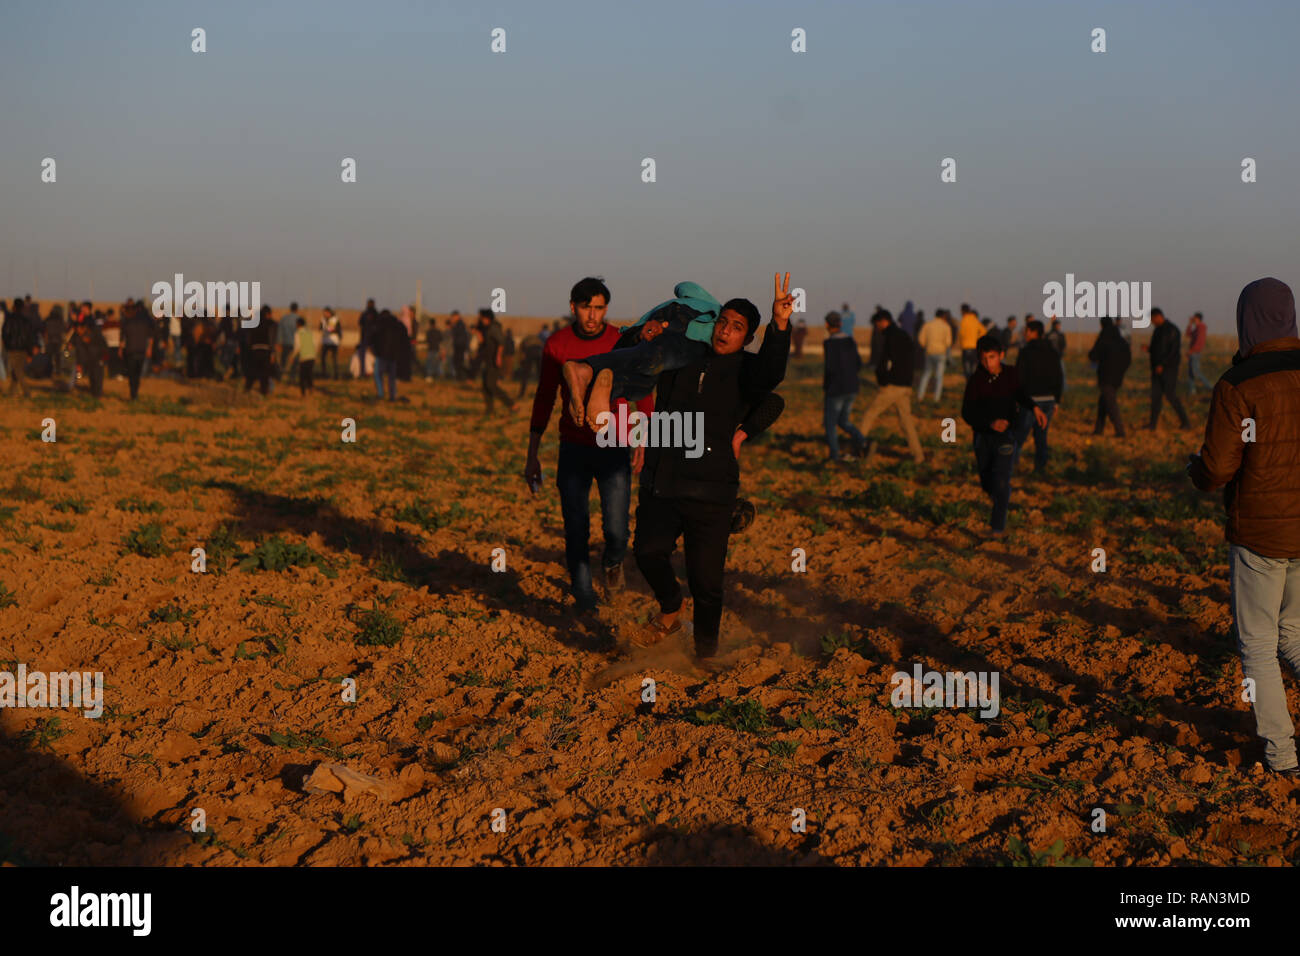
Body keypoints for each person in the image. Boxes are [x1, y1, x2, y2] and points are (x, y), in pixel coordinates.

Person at [632, 274, 792, 661]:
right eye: (723, 322)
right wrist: (646, 335)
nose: (726, 332)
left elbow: (773, 385)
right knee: (647, 551)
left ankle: (705, 655)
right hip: (664, 483)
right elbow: (640, 360)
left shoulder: (746, 371)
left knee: (707, 583)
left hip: (711, 493)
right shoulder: (683, 355)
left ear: (747, 337)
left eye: (737, 328)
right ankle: (671, 608)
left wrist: (780, 324)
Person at [1188, 278, 1300, 776]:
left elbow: (1216, 469)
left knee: (1257, 644)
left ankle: (1282, 756)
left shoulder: (1239, 385)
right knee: (1294, 635)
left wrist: (1196, 469)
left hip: (1260, 535)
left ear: (1246, 320)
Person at [526, 277, 653, 612]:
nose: (592, 315)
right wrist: (533, 453)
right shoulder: (557, 345)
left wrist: (642, 439)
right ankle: (583, 595)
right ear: (573, 307)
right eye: (586, 307)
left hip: (614, 444)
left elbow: (643, 392)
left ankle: (613, 563)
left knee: (617, 529)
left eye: (599, 308)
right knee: (576, 525)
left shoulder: (622, 341)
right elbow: (544, 397)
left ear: (606, 309)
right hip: (574, 446)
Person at [561, 281, 722, 429]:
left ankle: (593, 377)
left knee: (644, 385)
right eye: (586, 307)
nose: (727, 330)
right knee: (653, 361)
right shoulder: (713, 312)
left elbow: (684, 287)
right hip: (666, 336)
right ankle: (589, 371)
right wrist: (668, 325)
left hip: (633, 338)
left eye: (598, 308)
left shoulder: (691, 305)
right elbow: (681, 310)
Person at [961, 334, 1047, 535]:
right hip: (982, 436)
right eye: (983, 359)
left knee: (1001, 479)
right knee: (987, 482)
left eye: (992, 357)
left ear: (1001, 355)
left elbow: (1020, 393)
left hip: (1007, 435)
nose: (988, 363)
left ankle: (997, 527)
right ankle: (1000, 495)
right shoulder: (975, 381)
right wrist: (989, 423)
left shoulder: (1010, 374)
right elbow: (967, 412)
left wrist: (1034, 408)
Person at [859, 308, 925, 466]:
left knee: (869, 415)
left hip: (893, 386)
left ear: (883, 321)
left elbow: (889, 362)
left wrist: (884, 380)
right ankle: (918, 455)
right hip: (905, 385)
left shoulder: (891, 337)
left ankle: (858, 447)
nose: (877, 328)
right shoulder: (902, 335)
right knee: (906, 422)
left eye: (877, 324)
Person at [1012, 320, 1063, 473]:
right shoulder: (1053, 352)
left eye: (1027, 331)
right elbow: (1059, 377)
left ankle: (1010, 465)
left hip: (1031, 401)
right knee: (1041, 435)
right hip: (1048, 400)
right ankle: (1040, 468)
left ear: (1034, 333)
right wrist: (1057, 400)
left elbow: (1019, 378)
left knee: (1020, 434)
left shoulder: (1026, 352)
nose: (1025, 334)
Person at [822, 310, 867, 462]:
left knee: (830, 424)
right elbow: (858, 363)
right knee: (844, 421)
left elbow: (830, 368)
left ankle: (834, 455)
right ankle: (862, 441)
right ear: (840, 324)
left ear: (827, 325)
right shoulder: (850, 341)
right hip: (852, 387)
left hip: (836, 388)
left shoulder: (829, 343)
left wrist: (827, 387)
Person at [1144, 307, 1191, 430]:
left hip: (1168, 369)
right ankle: (1152, 425)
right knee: (1155, 397)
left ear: (1158, 316)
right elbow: (1157, 349)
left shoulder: (1172, 330)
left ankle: (1185, 422)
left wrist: (1162, 365)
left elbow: (1173, 352)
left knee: (1170, 395)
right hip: (1156, 369)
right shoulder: (1157, 330)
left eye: (1152, 319)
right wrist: (1149, 349)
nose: (1152, 322)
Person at [1088, 316, 1131, 437]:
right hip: (1118, 377)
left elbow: (1093, 355)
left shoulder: (1103, 338)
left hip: (1106, 377)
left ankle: (1120, 431)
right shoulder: (1121, 340)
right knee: (1103, 402)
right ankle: (1098, 429)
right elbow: (1128, 358)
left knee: (1110, 403)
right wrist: (1121, 370)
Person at [3, 297, 38, 397]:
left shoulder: (9, 319)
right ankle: (11, 391)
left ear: (13, 307)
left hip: (13, 349)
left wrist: (7, 346)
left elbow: (5, 334)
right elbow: (30, 337)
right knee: (16, 370)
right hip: (23, 350)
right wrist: (30, 352)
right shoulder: (26, 321)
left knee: (18, 371)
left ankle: (27, 392)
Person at [916, 309, 953, 402]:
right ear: (943, 316)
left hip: (929, 352)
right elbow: (948, 343)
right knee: (939, 377)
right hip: (941, 354)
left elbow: (921, 339)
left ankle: (920, 396)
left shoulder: (927, 325)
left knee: (926, 374)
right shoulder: (946, 326)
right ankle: (936, 398)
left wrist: (926, 346)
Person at [119, 301, 154, 400]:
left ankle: (133, 393)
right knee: (137, 374)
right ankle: (135, 393)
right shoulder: (145, 321)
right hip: (141, 350)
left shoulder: (127, 320)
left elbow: (122, 338)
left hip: (131, 351)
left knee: (132, 373)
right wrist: (149, 349)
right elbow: (151, 336)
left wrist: (120, 349)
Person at [372, 309, 402, 401]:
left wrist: (376, 351)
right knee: (392, 377)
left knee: (377, 374)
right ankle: (392, 396)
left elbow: (375, 339)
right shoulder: (397, 325)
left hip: (381, 355)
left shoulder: (380, 324)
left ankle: (381, 393)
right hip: (393, 355)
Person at [244, 305, 275, 395]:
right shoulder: (269, 323)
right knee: (264, 374)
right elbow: (272, 336)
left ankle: (247, 389)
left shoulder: (253, 323)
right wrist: (273, 353)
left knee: (252, 372)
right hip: (265, 350)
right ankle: (264, 391)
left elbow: (248, 337)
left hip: (254, 350)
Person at [287, 315, 317, 396]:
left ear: (298, 324)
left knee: (302, 376)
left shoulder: (298, 334)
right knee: (309, 374)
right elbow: (314, 344)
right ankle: (311, 387)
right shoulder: (310, 333)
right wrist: (315, 355)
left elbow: (297, 347)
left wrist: (292, 356)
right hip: (312, 356)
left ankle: (303, 393)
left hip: (304, 357)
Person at [1186, 311, 1212, 395]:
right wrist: (1190, 324)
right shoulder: (1197, 328)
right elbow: (1188, 334)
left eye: (1194, 318)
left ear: (1197, 318)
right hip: (1193, 352)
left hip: (1195, 353)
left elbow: (1199, 342)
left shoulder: (1201, 328)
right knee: (1191, 373)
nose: (1193, 319)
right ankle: (1192, 391)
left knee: (1196, 372)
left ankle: (1210, 387)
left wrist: (1191, 351)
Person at [516, 330, 543, 397]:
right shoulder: (538, 340)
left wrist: (521, 362)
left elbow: (521, 353)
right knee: (540, 374)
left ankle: (522, 393)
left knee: (525, 374)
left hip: (530, 352)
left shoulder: (525, 340)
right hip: (539, 353)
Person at [959, 306, 983, 379]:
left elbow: (961, 333)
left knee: (967, 368)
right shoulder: (975, 320)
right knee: (974, 367)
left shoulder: (964, 320)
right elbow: (983, 331)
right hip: (974, 347)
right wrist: (977, 338)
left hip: (966, 347)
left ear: (963, 311)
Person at [43, 305, 66, 382]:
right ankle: (58, 372)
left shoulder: (48, 319)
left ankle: (48, 373)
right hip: (58, 341)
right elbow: (63, 330)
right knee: (58, 357)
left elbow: (45, 329)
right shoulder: (61, 320)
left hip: (49, 340)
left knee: (48, 357)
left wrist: (46, 339)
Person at [357, 299, 379, 377]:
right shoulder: (376, 314)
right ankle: (376, 371)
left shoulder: (365, 313)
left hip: (365, 337)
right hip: (373, 338)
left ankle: (363, 371)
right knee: (376, 356)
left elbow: (360, 323)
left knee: (363, 355)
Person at [1045, 316, 1067, 394]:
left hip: (1057, 357)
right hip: (1054, 357)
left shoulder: (1053, 334)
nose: (1058, 327)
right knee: (1059, 372)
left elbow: (1063, 345)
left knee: (1061, 373)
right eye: (1057, 325)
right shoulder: (1053, 334)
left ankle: (1063, 387)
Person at [320, 307, 341, 380]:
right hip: (325, 341)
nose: (325, 314)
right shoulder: (323, 320)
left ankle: (336, 375)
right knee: (322, 358)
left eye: (326, 312)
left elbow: (337, 329)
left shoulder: (335, 319)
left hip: (333, 341)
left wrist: (328, 329)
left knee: (334, 358)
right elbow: (320, 328)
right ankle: (324, 374)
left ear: (329, 312)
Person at [449, 310, 469, 379]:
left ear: (457, 316)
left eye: (453, 317)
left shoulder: (460, 324)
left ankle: (461, 377)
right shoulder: (458, 324)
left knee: (458, 362)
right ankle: (460, 376)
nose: (452, 318)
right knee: (457, 362)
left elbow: (460, 336)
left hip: (460, 346)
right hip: (458, 346)